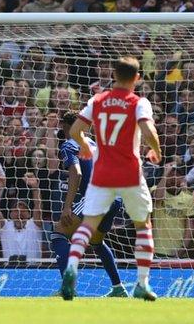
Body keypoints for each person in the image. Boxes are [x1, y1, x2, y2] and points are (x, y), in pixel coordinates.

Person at [61, 56, 162, 301]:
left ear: (114, 75)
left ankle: (72, 267)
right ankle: (142, 283)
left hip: (102, 174)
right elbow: (148, 131)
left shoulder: (97, 101)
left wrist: (84, 144)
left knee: (87, 226)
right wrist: (156, 150)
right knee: (143, 225)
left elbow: (75, 130)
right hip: (130, 174)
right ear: (137, 78)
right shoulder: (139, 102)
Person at [49, 111, 128, 297]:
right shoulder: (95, 145)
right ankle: (118, 288)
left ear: (66, 127)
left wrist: (67, 206)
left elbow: (76, 173)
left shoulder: (69, 144)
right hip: (114, 197)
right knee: (96, 242)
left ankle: (68, 287)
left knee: (58, 232)